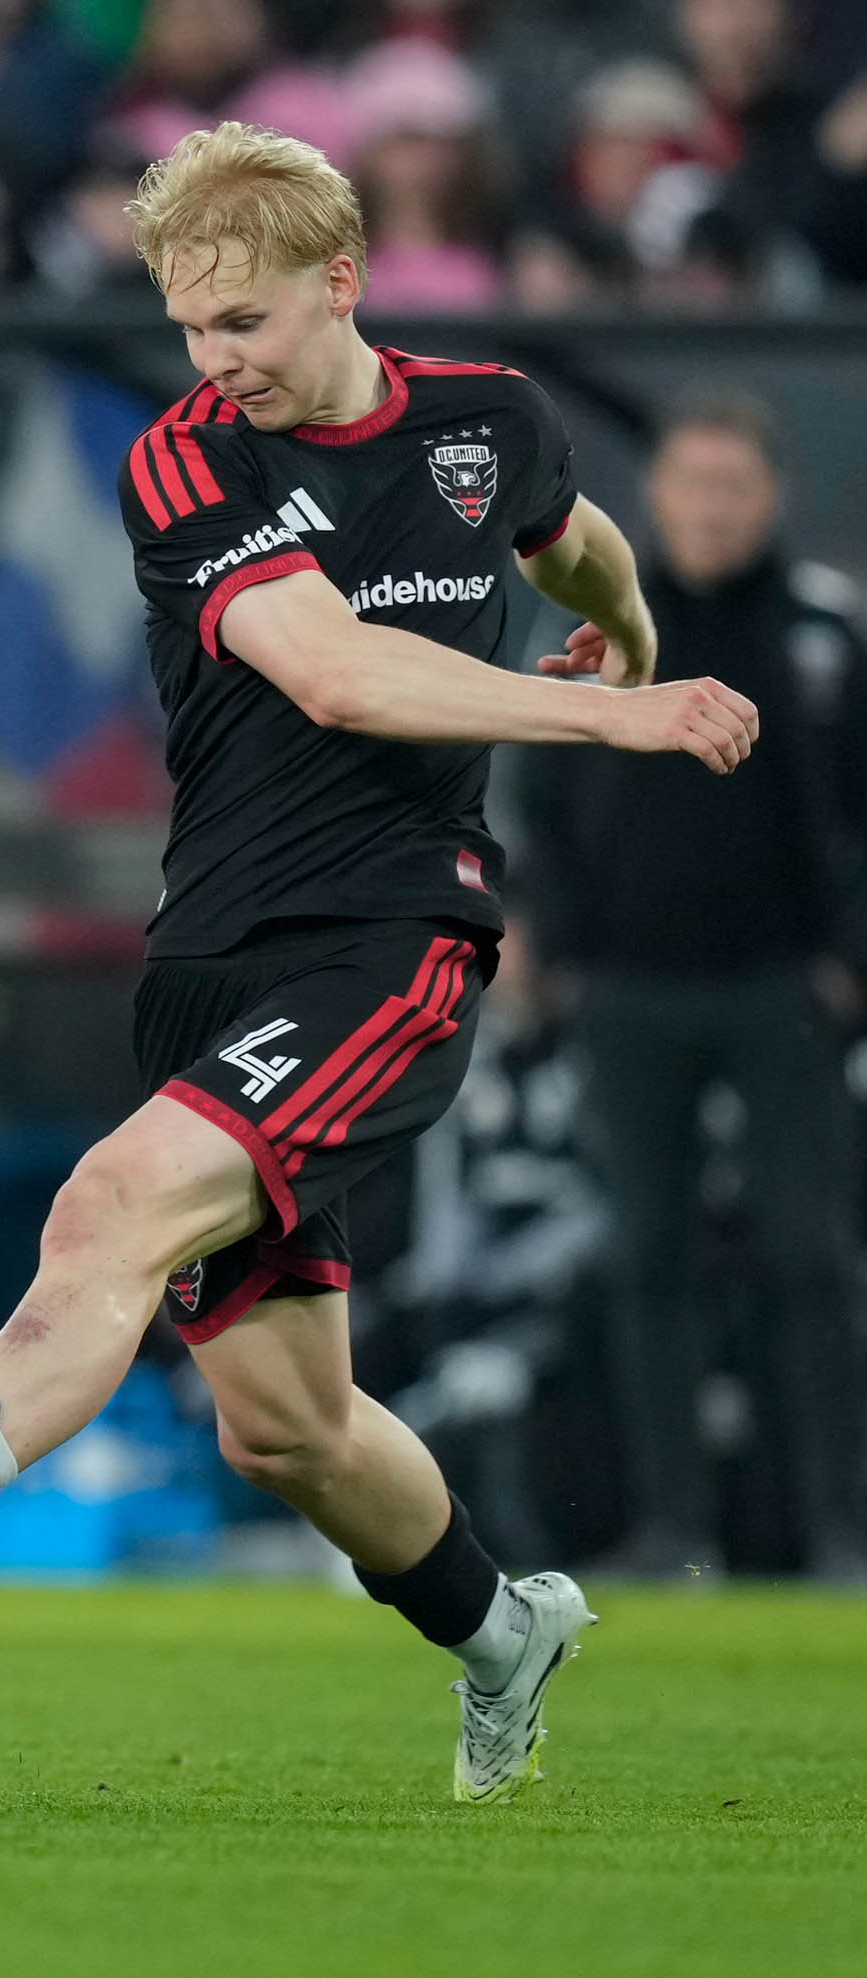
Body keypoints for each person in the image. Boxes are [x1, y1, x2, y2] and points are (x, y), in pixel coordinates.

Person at [0, 121, 761, 1806]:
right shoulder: (186, 460)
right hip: (213, 953)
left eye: (242, 320)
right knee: (285, 1426)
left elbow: (577, 542)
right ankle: (500, 1634)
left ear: (341, 281)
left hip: (394, 937)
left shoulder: (487, 421)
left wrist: (629, 624)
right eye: (188, 324)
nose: (213, 360)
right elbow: (329, 670)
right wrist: (614, 703)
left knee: (107, 1208)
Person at [517, 391, 867, 1582]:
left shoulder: (828, 633)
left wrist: (845, 966)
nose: (711, 507)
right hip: (628, 991)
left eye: (734, 486)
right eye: (691, 483)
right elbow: (543, 798)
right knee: (642, 1258)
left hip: (783, 992)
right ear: (652, 497)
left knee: (811, 1259)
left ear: (770, 499)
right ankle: (671, 1531)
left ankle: (838, 1534)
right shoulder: (600, 623)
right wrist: (555, 951)